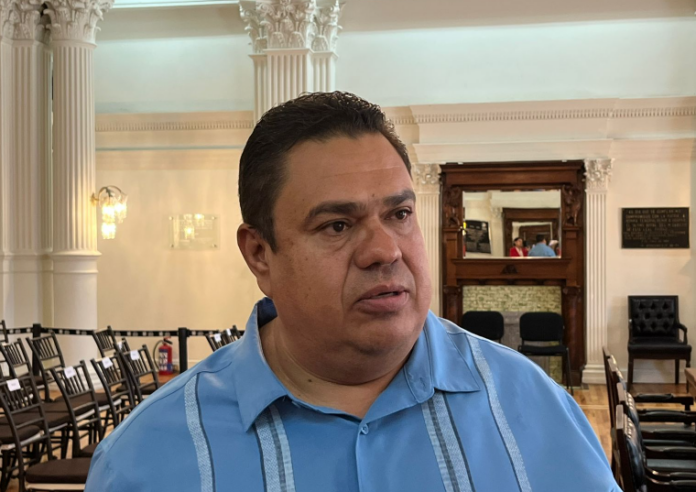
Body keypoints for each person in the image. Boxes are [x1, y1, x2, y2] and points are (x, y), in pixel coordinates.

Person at [85, 92, 619, 491]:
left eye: (400, 214)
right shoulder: (148, 458)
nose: (384, 250)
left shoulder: (534, 409)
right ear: (260, 254)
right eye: (337, 225)